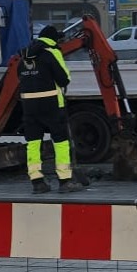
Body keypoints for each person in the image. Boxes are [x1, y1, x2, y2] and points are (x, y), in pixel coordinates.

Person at [17, 25, 86, 194]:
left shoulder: (24, 57)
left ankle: (37, 181)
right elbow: (64, 79)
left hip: (29, 107)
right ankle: (64, 181)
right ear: (54, 39)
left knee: (33, 143)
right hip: (52, 106)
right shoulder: (52, 53)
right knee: (60, 142)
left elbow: (20, 78)